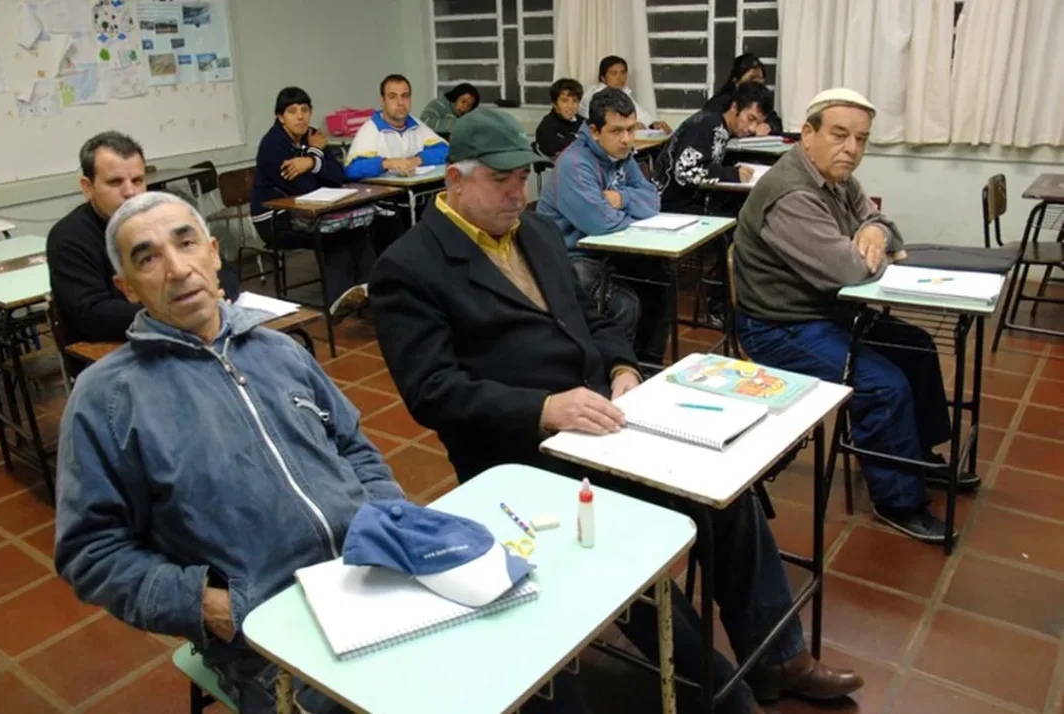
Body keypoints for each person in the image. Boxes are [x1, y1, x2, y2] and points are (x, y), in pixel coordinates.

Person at [369, 107, 864, 713]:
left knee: (726, 501)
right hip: (521, 456)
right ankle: (716, 689)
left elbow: (594, 319)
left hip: (601, 422)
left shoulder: (537, 233)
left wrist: (623, 367)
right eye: (501, 182)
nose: (518, 194)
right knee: (628, 552)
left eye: (524, 179)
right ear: (454, 182)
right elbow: (433, 391)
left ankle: (778, 657)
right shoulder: (408, 269)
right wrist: (544, 407)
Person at [54, 191, 403, 714]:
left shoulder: (281, 350)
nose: (176, 269)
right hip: (265, 635)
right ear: (126, 288)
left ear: (214, 254)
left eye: (186, 242)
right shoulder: (107, 398)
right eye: (147, 258)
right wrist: (212, 606)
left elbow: (353, 445)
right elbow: (91, 553)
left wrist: (386, 521)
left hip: (369, 579)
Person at [733, 88, 966, 544]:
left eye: (861, 139)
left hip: (828, 312)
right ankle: (898, 499)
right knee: (884, 386)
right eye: (840, 135)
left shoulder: (838, 178)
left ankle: (917, 455)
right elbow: (849, 268)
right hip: (781, 327)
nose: (852, 149)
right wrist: (876, 243)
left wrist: (874, 231)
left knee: (916, 347)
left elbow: (881, 223)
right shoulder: (789, 193)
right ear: (808, 134)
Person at [47, 131, 238, 378]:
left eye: (137, 180)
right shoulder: (68, 237)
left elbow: (224, 269)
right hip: (113, 358)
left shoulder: (164, 219)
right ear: (87, 187)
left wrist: (213, 299)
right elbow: (92, 315)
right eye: (115, 183)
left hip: (187, 338)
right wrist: (184, 307)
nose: (130, 193)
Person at [537, 87, 669, 366]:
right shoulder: (574, 163)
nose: (627, 139)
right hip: (571, 256)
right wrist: (632, 212)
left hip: (610, 249)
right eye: (617, 131)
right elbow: (602, 224)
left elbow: (653, 200)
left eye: (631, 129)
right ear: (595, 131)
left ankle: (648, 366)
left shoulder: (621, 155)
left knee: (660, 281)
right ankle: (612, 372)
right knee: (625, 304)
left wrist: (622, 198)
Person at [250, 86, 375, 319]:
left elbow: (339, 174)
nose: (300, 116)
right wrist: (316, 153)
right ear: (280, 117)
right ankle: (339, 303)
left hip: (312, 211)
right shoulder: (272, 144)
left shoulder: (313, 134)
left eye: (305, 110)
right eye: (292, 111)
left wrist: (310, 163)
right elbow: (304, 188)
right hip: (274, 218)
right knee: (334, 236)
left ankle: (368, 293)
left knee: (359, 229)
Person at [652, 81, 774, 215]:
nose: (752, 128)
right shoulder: (706, 125)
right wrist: (731, 174)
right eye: (750, 118)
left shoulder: (722, 126)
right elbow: (685, 171)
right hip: (670, 205)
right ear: (734, 107)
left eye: (758, 123)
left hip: (693, 201)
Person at [344, 73, 449, 180]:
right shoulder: (370, 130)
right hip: (385, 194)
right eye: (392, 97)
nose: (400, 103)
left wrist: (418, 160)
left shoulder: (416, 124)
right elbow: (351, 169)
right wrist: (386, 163)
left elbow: (446, 150)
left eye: (405, 96)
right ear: (382, 101)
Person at [579, 55, 670, 133]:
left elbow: (641, 115)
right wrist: (630, 127)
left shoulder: (622, 91)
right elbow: (605, 125)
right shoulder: (597, 95)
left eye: (623, 72)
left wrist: (654, 125)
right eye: (614, 73)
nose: (620, 78)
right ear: (603, 77)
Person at [704, 53, 784, 136]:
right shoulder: (718, 104)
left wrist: (768, 126)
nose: (756, 84)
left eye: (760, 80)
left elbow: (776, 121)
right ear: (736, 82)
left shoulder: (758, 102)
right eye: (751, 79)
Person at [534, 78, 585, 158]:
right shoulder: (547, 126)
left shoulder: (584, 123)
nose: (570, 106)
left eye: (575, 101)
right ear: (554, 104)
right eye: (565, 101)